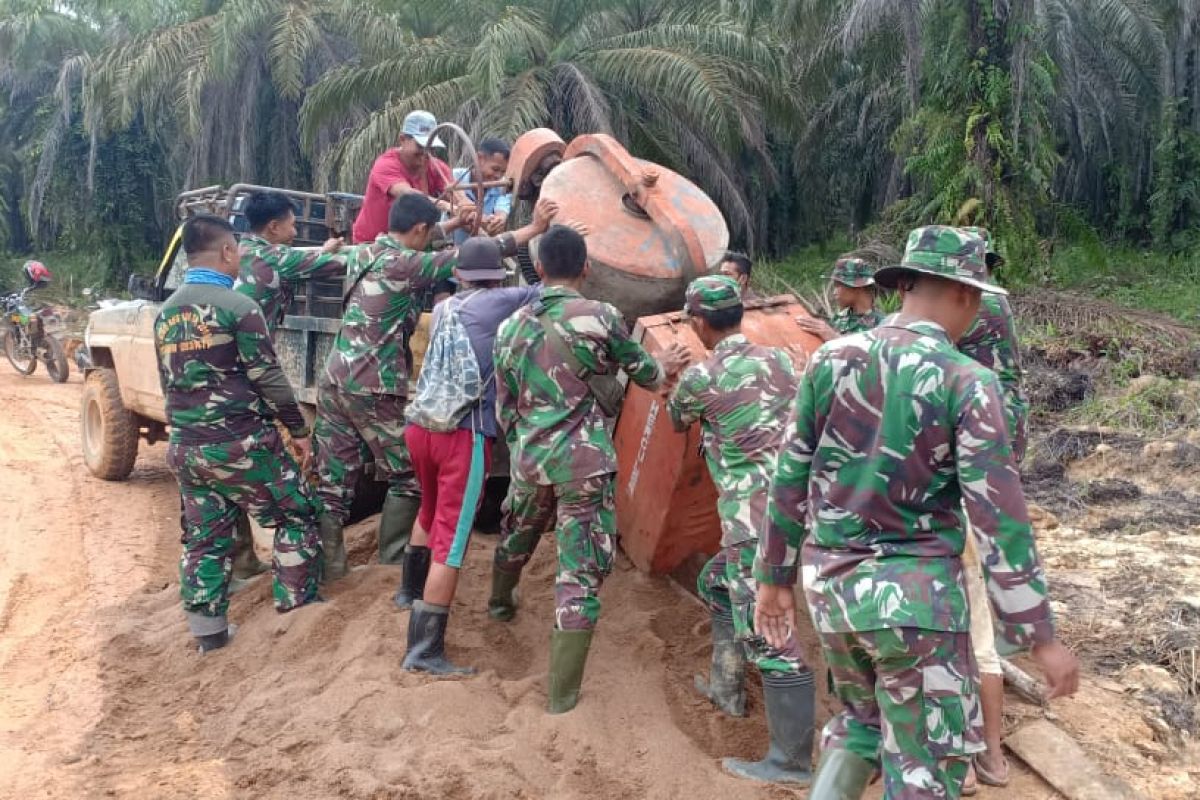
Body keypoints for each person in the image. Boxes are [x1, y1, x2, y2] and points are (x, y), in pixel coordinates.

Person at [755, 226, 1079, 799]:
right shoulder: (968, 381)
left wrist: (773, 578)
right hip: (918, 604)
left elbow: (789, 476)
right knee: (924, 761)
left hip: (833, 595)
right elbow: (997, 517)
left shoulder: (829, 359)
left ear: (904, 285)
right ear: (964, 294)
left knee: (859, 727)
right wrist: (1037, 633)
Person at [488, 225, 689, 714]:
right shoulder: (600, 316)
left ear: (538, 269)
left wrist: (524, 447)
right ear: (586, 268)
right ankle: (561, 698)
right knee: (578, 573)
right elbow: (647, 375)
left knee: (517, 535)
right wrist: (665, 362)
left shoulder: (510, 326)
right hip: (584, 464)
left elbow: (504, 407)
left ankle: (499, 604)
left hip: (531, 459)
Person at [313, 194, 555, 583]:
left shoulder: (366, 252)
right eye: (430, 232)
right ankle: (393, 564)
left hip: (335, 377)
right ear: (420, 230)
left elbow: (432, 238)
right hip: (372, 384)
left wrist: (454, 224)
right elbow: (476, 259)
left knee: (333, 478)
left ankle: (332, 569)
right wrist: (536, 229)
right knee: (408, 476)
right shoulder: (407, 264)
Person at [666, 275, 813, 786]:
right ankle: (726, 688)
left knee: (773, 637)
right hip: (798, 509)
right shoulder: (779, 360)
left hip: (754, 524)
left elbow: (676, 420)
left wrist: (673, 377)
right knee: (715, 584)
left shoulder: (701, 378)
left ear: (700, 323)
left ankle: (790, 762)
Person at [155, 214, 322, 653]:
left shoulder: (166, 313)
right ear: (228, 251)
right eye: (237, 251)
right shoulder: (239, 308)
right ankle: (296, 619)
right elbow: (269, 378)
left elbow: (167, 384)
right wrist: (298, 430)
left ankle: (209, 636)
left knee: (205, 540)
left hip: (187, 448)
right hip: (241, 444)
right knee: (297, 515)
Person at [398, 229, 552, 674]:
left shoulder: (446, 305)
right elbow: (547, 288)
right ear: (497, 277)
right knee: (453, 537)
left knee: (428, 511)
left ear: (460, 274)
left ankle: (408, 591)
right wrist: (535, 240)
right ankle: (424, 651)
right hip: (462, 434)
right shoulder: (501, 303)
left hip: (421, 426)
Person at [953, 226, 1028, 795]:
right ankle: (992, 756)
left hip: (956, 481)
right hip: (995, 469)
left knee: (957, 629)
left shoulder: (980, 306)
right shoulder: (1001, 306)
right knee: (981, 624)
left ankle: (968, 754)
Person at [235, 190, 346, 336]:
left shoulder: (243, 248)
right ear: (273, 227)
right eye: (292, 225)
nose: (295, 232)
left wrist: (323, 252)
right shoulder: (275, 257)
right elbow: (341, 262)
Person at [351, 110, 466, 244]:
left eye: (430, 147)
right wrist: (448, 206)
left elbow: (458, 195)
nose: (425, 153)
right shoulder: (385, 165)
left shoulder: (436, 167)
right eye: (420, 146)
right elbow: (410, 196)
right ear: (402, 139)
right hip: (372, 245)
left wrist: (468, 209)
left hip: (411, 245)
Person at [794, 256, 883, 342]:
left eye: (838, 285)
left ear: (857, 287)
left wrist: (835, 338)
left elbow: (875, 354)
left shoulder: (881, 324)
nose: (834, 292)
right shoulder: (839, 320)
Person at [450, 138, 512, 244]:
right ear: (479, 158)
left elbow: (502, 209)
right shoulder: (453, 177)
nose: (498, 176)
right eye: (495, 169)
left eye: (503, 172)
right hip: (448, 248)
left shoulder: (503, 186)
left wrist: (499, 220)